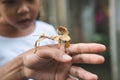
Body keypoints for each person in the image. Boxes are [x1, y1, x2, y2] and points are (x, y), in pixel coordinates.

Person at [0, 0, 106, 80]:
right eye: (10, 2)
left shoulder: (47, 29)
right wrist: (21, 67)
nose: (23, 9)